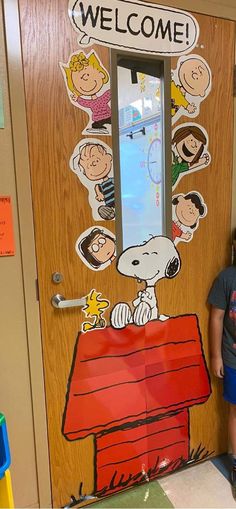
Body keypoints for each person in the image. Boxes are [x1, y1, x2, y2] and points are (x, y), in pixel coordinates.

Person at [208, 246, 236, 486]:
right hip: (233, 359)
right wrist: (216, 356)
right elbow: (216, 317)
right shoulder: (226, 278)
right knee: (235, 412)